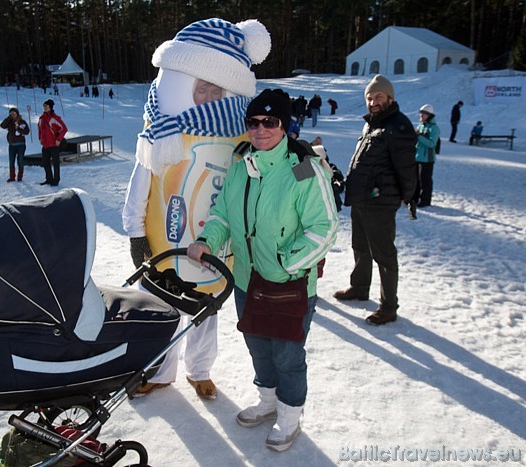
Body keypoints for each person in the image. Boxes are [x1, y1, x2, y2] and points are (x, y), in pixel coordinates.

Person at [122, 18, 271, 400]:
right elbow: (141, 181)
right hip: (164, 242)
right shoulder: (160, 130)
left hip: (215, 244)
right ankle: (160, 370)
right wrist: (136, 231)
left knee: (205, 309)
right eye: (199, 87)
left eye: (214, 89)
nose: (205, 96)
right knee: (163, 309)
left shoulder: (240, 138)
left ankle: (199, 369)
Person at [187, 88, 339, 451]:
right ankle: (269, 403)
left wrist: (287, 262)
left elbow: (325, 227)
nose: (260, 129)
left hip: (289, 283)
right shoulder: (241, 165)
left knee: (287, 355)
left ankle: (289, 416)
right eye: (253, 122)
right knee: (257, 345)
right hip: (246, 279)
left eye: (270, 122)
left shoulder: (302, 168)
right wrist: (209, 240)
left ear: (285, 126)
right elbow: (223, 212)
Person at [333, 74, 417, 325]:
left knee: (384, 254)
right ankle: (360, 287)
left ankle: (389, 306)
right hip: (361, 199)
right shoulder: (372, 124)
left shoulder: (398, 126)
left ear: (390, 98)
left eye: (378, 97)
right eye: (369, 98)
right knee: (360, 246)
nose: (373, 102)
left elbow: (407, 167)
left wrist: (408, 196)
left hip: (381, 201)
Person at [412, 104, 440, 210]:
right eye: (421, 113)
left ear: (430, 115)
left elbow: (432, 143)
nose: (421, 115)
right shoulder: (421, 125)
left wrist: (419, 137)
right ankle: (414, 198)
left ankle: (425, 200)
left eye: (424, 114)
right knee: (416, 180)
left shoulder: (434, 128)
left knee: (425, 180)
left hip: (427, 159)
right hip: (417, 157)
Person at [38, 99, 67, 186]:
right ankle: (49, 179)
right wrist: (40, 138)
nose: (45, 108)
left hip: (54, 145)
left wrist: (58, 139)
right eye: (44, 106)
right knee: (46, 163)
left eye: (47, 106)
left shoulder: (54, 118)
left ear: (51, 107)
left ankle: (56, 180)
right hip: (45, 145)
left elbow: (64, 129)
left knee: (55, 164)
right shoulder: (41, 118)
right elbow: (39, 129)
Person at [0, 107, 30, 182]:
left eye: (14, 113)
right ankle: (12, 177)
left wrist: (18, 129)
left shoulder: (22, 121)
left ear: (17, 114)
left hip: (21, 145)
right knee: (11, 161)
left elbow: (27, 131)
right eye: (11, 114)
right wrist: (8, 118)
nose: (13, 115)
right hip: (12, 145)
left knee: (20, 161)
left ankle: (20, 177)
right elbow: (2, 125)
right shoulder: (9, 121)